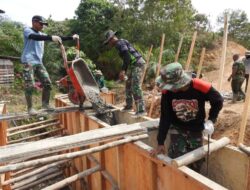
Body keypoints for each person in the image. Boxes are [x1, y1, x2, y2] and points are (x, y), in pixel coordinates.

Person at [150, 62, 223, 172]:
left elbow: (218, 101)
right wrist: (160, 142)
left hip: (196, 130)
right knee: (176, 163)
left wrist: (211, 120)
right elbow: (165, 117)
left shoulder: (200, 86)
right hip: (177, 130)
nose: (170, 89)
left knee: (195, 165)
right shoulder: (167, 92)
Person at [21, 15, 79, 115]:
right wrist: (50, 37)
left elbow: (58, 38)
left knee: (47, 83)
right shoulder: (27, 30)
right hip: (28, 61)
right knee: (29, 84)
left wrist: (71, 37)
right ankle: (30, 108)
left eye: (43, 25)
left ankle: (45, 104)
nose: (42, 26)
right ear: (34, 22)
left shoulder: (42, 34)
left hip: (39, 63)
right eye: (41, 24)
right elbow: (34, 37)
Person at [103, 30, 146, 116]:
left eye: (109, 42)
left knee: (135, 86)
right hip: (132, 65)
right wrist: (123, 71)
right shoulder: (119, 44)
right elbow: (126, 60)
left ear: (112, 39)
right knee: (128, 85)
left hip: (138, 63)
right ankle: (129, 106)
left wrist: (123, 71)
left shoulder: (120, 43)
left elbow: (127, 57)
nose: (109, 44)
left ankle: (141, 110)